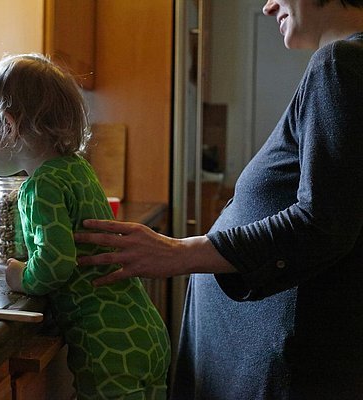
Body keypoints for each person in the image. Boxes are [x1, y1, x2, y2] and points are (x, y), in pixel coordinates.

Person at [74, 1, 363, 399]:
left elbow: (322, 223)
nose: (268, 6)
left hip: (284, 367)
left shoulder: (340, 63)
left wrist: (181, 252)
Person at [0, 54, 171, 399]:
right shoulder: (73, 167)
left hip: (106, 344)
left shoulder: (40, 187)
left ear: (7, 128)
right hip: (139, 328)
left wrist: (21, 276)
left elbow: (55, 265)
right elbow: (1, 156)